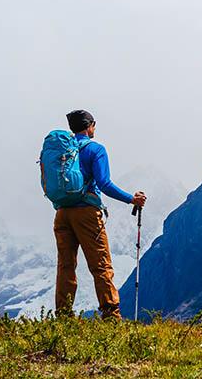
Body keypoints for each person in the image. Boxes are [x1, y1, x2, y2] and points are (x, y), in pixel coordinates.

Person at [53, 109, 147, 320]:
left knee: (66, 266)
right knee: (100, 265)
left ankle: (63, 317)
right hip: (86, 213)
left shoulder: (62, 152)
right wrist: (131, 199)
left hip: (62, 213)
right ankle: (111, 315)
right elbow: (104, 184)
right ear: (89, 126)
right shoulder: (95, 149)